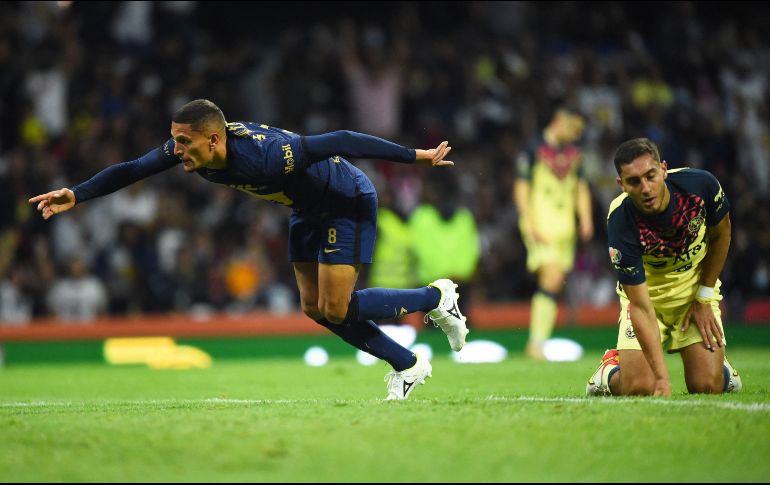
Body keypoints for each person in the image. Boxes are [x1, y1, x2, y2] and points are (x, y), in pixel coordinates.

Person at [29, 98, 469, 400]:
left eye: (184, 143)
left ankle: (435, 297)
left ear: (214, 140)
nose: (176, 151)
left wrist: (415, 156)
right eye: (174, 140)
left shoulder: (268, 155)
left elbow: (340, 139)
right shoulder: (193, 147)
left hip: (344, 200)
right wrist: (77, 194)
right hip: (304, 209)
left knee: (337, 307)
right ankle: (407, 364)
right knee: (314, 308)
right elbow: (133, 169)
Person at [586, 138, 742, 397]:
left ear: (663, 169)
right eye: (634, 182)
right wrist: (661, 380)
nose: (646, 188)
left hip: (693, 292)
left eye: (651, 176)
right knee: (640, 388)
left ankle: (718, 369)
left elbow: (722, 234)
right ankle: (609, 370)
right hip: (648, 299)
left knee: (706, 386)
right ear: (621, 185)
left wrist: (703, 296)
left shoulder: (701, 186)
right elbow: (639, 305)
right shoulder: (620, 218)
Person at [513, 106, 593, 360]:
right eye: (574, 128)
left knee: (554, 283)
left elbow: (580, 186)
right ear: (559, 121)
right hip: (541, 225)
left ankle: (537, 342)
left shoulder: (575, 154)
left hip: (564, 229)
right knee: (552, 276)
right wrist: (529, 222)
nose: (576, 134)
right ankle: (536, 344)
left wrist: (586, 217)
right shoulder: (533, 148)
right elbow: (521, 187)